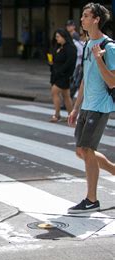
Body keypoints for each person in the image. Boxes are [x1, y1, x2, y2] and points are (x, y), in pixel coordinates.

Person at [67, 3, 115, 213]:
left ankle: (92, 200)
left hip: (101, 105)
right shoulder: (87, 44)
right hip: (87, 105)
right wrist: (76, 107)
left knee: (87, 151)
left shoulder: (109, 46)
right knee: (81, 151)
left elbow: (112, 81)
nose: (82, 20)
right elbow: (86, 79)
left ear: (96, 19)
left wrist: (99, 59)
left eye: (86, 16)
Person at [49, 29, 77, 122]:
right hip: (56, 74)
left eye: (58, 37)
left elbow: (70, 62)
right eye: (55, 37)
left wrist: (61, 71)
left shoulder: (70, 48)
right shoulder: (58, 46)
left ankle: (57, 115)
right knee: (66, 95)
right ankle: (71, 115)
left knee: (54, 92)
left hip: (64, 75)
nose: (56, 39)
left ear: (64, 37)